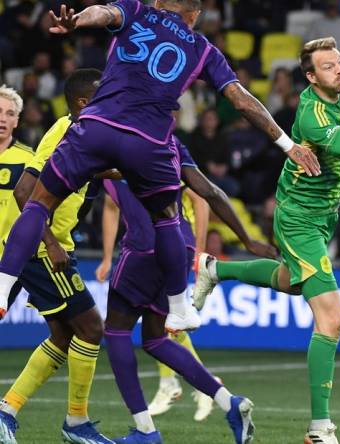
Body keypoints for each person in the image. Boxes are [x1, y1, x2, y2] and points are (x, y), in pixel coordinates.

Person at [0, 0, 319, 335]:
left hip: (97, 127)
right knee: (167, 218)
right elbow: (241, 100)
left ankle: (4, 284)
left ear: (158, 3)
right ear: (194, 15)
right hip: (149, 143)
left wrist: (78, 21)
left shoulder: (137, 10)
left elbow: (103, 13)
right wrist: (287, 144)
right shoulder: (202, 48)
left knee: (38, 202)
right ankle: (180, 308)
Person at [192, 37, 340, 443]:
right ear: (311, 76)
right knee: (331, 318)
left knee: (288, 280)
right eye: (329, 66)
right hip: (297, 217)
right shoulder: (313, 113)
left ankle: (215, 269)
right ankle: (320, 428)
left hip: (325, 217)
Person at [96, 135, 273, 444]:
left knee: (116, 332)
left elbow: (99, 171)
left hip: (144, 247)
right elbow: (209, 191)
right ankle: (228, 402)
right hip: (178, 245)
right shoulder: (171, 141)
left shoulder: (113, 137)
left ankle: (145, 430)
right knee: (155, 339)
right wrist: (246, 239)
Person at [0, 75, 115, 443]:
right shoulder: (65, 133)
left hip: (53, 245)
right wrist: (50, 242)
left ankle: (7, 411)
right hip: (43, 249)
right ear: (83, 102)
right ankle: (76, 423)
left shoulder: (82, 130)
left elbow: (92, 170)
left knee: (64, 336)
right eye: (103, 94)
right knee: (92, 328)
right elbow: (23, 191)